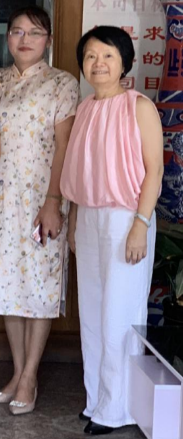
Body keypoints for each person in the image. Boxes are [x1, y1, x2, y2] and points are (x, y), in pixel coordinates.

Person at [0, 6, 79, 415]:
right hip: (1, 199)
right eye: (17, 32)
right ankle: (17, 373)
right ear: (7, 37)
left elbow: (64, 147)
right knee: (7, 287)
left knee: (40, 286)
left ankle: (30, 376)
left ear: (48, 40)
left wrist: (53, 201)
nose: (25, 39)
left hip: (42, 200)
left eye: (35, 32)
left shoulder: (62, 83)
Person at [61, 26, 163, 435]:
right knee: (92, 312)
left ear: (124, 63)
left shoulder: (138, 106)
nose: (98, 63)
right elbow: (78, 171)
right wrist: (73, 221)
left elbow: (154, 171)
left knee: (119, 312)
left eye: (107, 55)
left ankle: (117, 408)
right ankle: (97, 400)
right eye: (90, 56)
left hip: (126, 218)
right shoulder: (85, 108)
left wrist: (140, 224)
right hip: (88, 216)